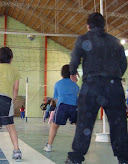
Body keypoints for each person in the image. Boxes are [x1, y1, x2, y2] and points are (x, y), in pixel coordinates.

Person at [65, 12, 128, 164]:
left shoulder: (83, 38)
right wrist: (114, 76)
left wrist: (73, 72)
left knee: (84, 123)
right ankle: (124, 158)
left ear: (88, 26)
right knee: (118, 123)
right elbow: (123, 63)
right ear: (103, 26)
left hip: (91, 86)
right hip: (114, 87)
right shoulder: (114, 42)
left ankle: (76, 158)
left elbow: (75, 58)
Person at [44, 65, 79, 152]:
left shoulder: (58, 84)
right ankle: (79, 147)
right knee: (78, 127)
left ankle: (49, 146)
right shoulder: (75, 85)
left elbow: (55, 99)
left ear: (62, 73)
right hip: (74, 107)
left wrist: (55, 109)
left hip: (62, 106)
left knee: (54, 126)